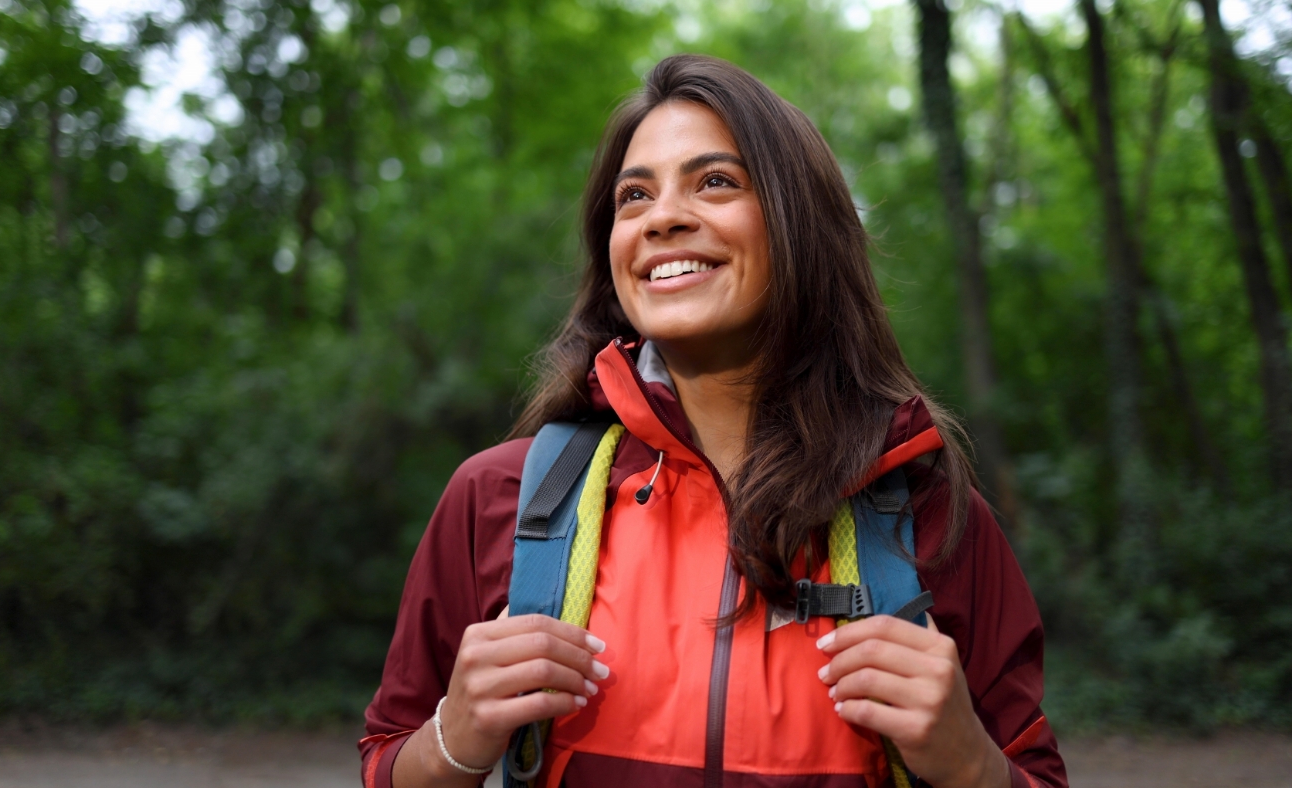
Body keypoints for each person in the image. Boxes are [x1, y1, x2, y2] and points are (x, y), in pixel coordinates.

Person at [360, 54, 1067, 788]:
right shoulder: (495, 496)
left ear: (801, 224)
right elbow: (385, 758)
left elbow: (1034, 773)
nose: (662, 216)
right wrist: (454, 740)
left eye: (716, 182)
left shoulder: (932, 514)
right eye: (633, 197)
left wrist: (972, 765)